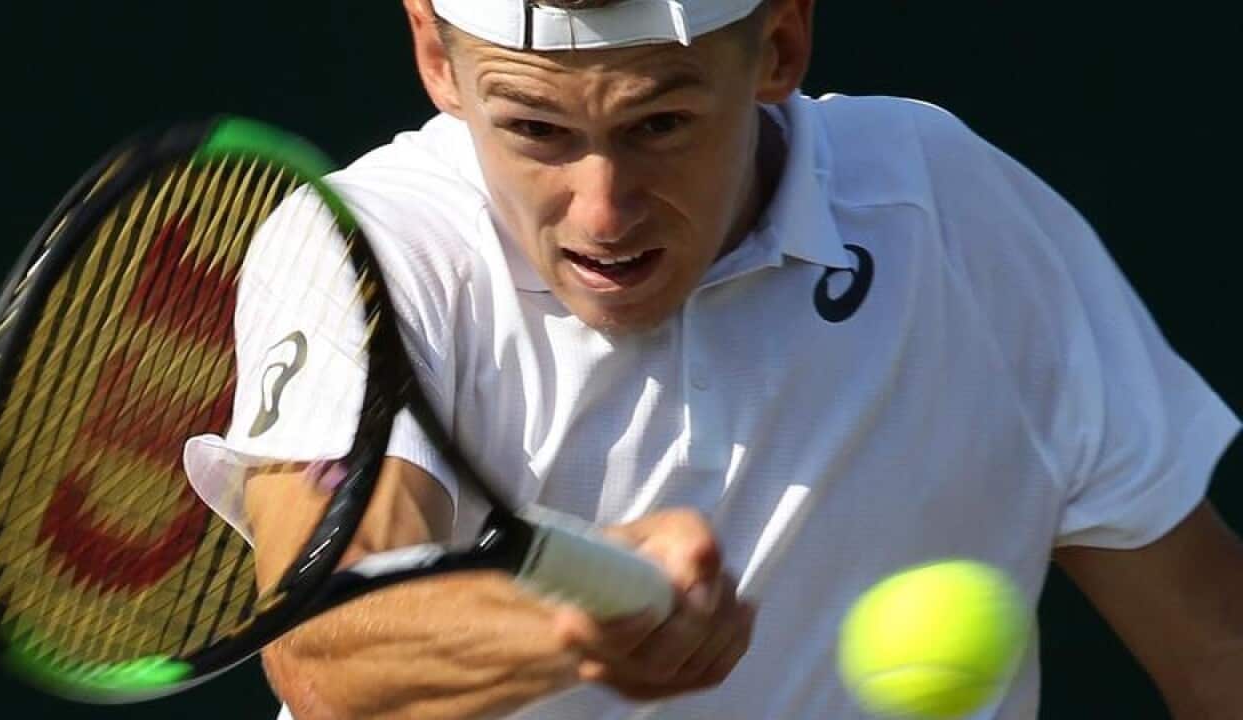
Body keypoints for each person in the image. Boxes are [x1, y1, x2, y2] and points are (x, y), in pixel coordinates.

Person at [183, 0, 1243, 717]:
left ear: (779, 45)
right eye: (537, 131)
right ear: (433, 58)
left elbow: (1210, 642)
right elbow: (326, 643)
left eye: (661, 123)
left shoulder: (957, 214)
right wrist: (567, 627)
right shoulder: (365, 253)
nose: (602, 213)